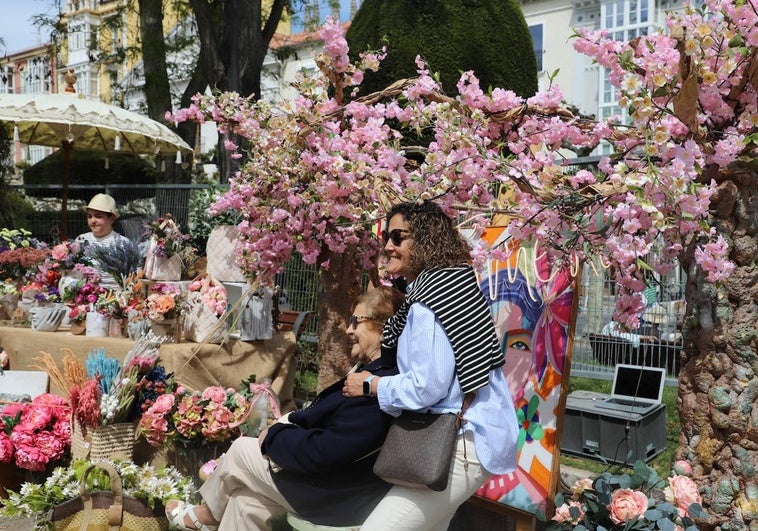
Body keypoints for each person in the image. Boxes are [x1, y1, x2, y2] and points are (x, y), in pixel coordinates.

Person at [165, 286, 405, 531]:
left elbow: (325, 451)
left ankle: (205, 516)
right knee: (245, 503)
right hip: (328, 485)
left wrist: (275, 436)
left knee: (240, 450)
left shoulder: (379, 385)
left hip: (334, 496)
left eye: (357, 321)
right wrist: (285, 425)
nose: (349, 328)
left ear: (385, 328)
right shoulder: (374, 374)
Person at [344, 200, 519, 531]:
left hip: (461, 440)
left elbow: (428, 386)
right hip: (468, 434)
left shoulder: (429, 302)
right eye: (387, 237)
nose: (388, 246)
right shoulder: (446, 286)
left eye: (399, 237)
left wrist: (370, 385)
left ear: (424, 239)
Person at [76, 193, 132, 290]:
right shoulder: (81, 240)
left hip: (114, 299)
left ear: (111, 219)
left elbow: (133, 276)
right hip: (85, 298)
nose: (93, 221)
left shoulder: (124, 243)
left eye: (98, 216)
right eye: (89, 216)